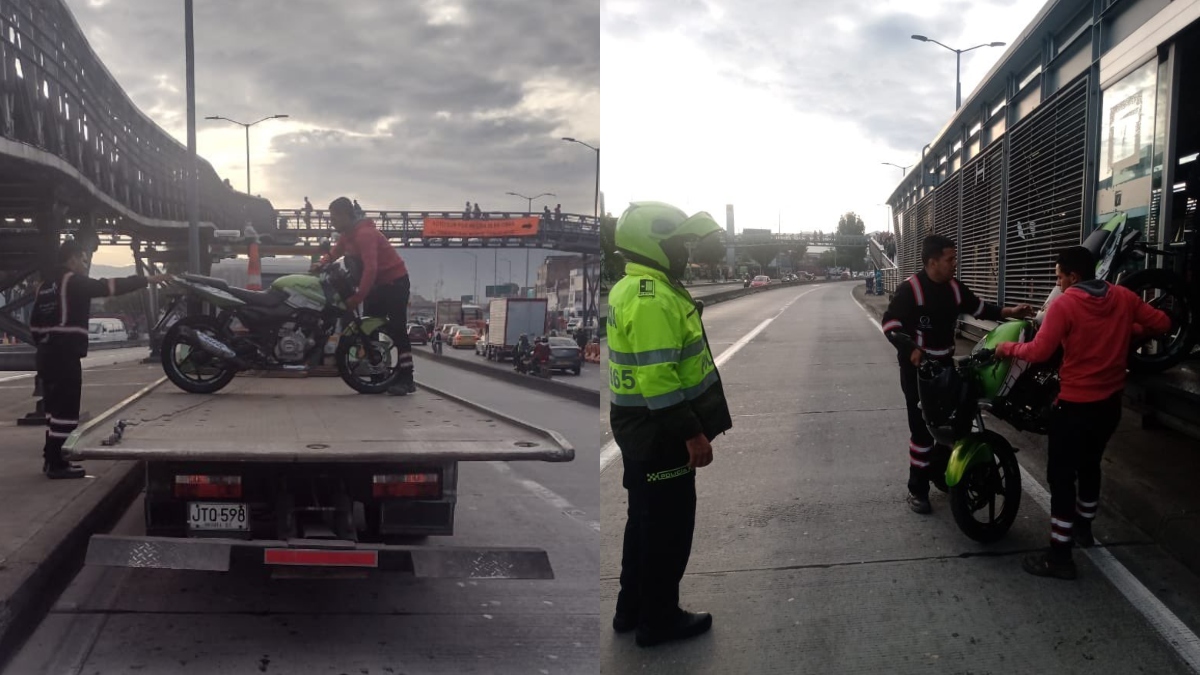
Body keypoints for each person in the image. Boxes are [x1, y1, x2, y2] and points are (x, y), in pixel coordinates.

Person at [994, 246, 1170, 580]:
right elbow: (1161, 323)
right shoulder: (1122, 297)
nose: (1057, 283)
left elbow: (1040, 350)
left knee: (1061, 477)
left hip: (1074, 407)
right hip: (1109, 407)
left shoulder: (1066, 304)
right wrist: (1127, 333)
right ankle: (1084, 530)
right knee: (1090, 466)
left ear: (1074, 277)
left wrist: (1007, 348)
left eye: (1059, 276)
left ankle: (1059, 556)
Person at [608, 201, 732, 648]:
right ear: (654, 244)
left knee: (643, 521)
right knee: (668, 529)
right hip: (659, 432)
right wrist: (692, 433)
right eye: (678, 243)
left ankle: (631, 608)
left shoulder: (633, 287)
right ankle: (658, 620)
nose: (685, 251)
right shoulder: (651, 298)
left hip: (640, 428)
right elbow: (658, 381)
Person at [881, 234, 1034, 514]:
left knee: (953, 425)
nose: (955, 264)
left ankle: (942, 472)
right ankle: (918, 490)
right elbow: (890, 324)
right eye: (950, 259)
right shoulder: (911, 290)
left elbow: (979, 308)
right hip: (918, 373)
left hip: (946, 366)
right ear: (932, 262)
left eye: (955, 258)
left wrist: (1010, 311)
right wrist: (911, 349)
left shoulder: (953, 288)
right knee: (922, 432)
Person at [30, 240, 170, 479]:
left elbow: (34, 323)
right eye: (84, 260)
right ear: (72, 259)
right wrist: (145, 280)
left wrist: (47, 340)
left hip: (46, 355)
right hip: (65, 355)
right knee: (66, 410)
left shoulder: (45, 286)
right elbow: (108, 287)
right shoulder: (71, 281)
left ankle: (51, 458)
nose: (86, 265)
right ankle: (58, 464)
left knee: (53, 410)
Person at [316, 197, 415, 396]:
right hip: (377, 285)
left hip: (395, 282)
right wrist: (321, 263)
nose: (331, 221)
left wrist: (358, 297)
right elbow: (336, 251)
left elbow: (371, 269)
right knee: (369, 328)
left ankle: (406, 379)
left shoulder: (365, 234)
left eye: (334, 217)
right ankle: (378, 373)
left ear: (345, 215)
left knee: (396, 328)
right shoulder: (347, 234)